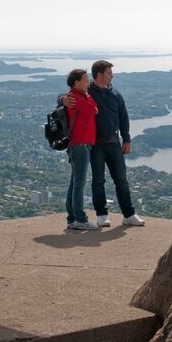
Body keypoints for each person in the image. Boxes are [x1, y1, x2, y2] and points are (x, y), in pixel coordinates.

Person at [64, 60, 145, 227]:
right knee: (98, 181)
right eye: (109, 73)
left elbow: (123, 117)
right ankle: (102, 215)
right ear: (99, 75)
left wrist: (127, 139)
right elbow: (69, 97)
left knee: (121, 179)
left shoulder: (115, 94)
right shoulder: (87, 92)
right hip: (96, 144)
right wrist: (62, 99)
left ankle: (129, 214)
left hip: (114, 142)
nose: (112, 76)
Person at [64, 69, 98, 231]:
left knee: (74, 182)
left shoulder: (80, 96)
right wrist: (87, 97)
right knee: (79, 183)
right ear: (76, 82)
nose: (88, 82)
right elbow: (93, 110)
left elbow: (92, 108)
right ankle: (80, 219)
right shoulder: (74, 98)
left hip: (80, 144)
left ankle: (71, 218)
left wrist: (87, 96)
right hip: (80, 145)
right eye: (85, 80)